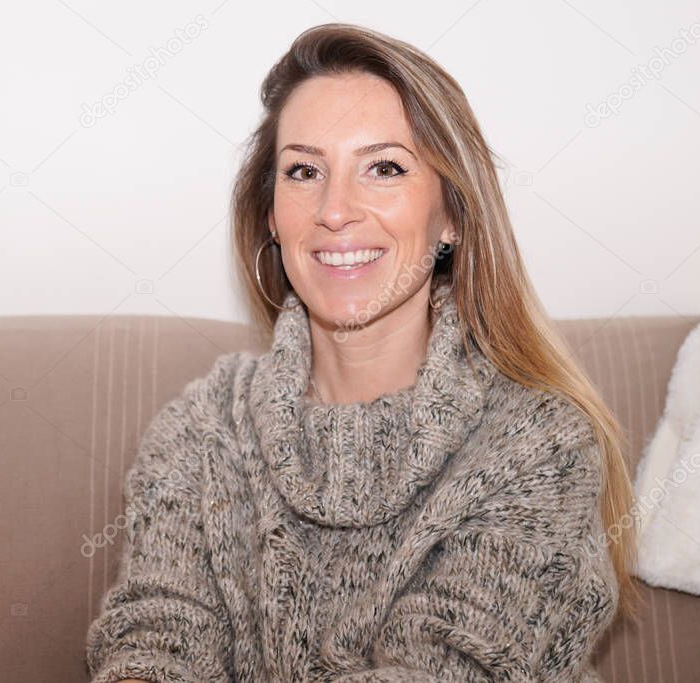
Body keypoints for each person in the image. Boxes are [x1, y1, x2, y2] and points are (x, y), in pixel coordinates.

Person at [84, 22, 639, 683]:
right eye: (303, 171)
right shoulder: (201, 431)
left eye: (383, 167)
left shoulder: (538, 442)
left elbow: (451, 668)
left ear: (453, 216)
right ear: (271, 213)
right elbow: (154, 643)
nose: (335, 210)